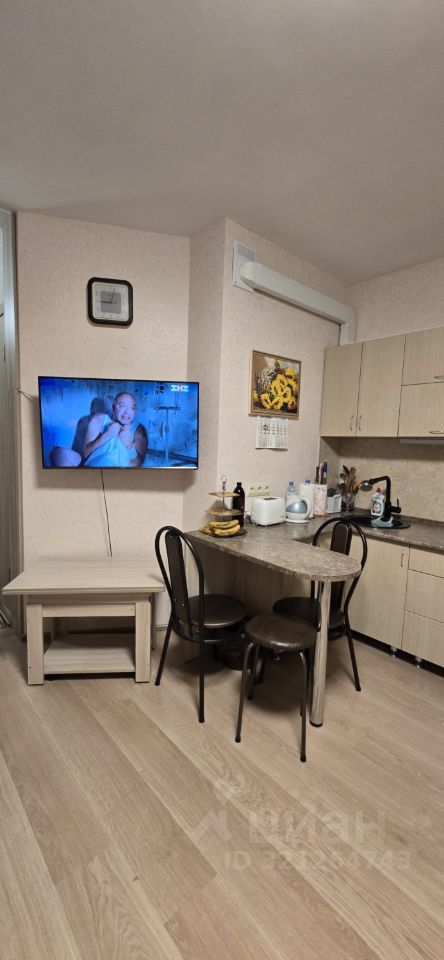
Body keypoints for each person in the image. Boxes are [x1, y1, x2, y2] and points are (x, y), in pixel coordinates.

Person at [83, 392, 147, 467]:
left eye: (132, 408)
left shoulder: (139, 430)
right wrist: (107, 435)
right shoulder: (99, 420)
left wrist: (129, 446)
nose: (127, 412)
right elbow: (86, 454)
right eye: (122, 406)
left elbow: (139, 465)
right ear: (113, 408)